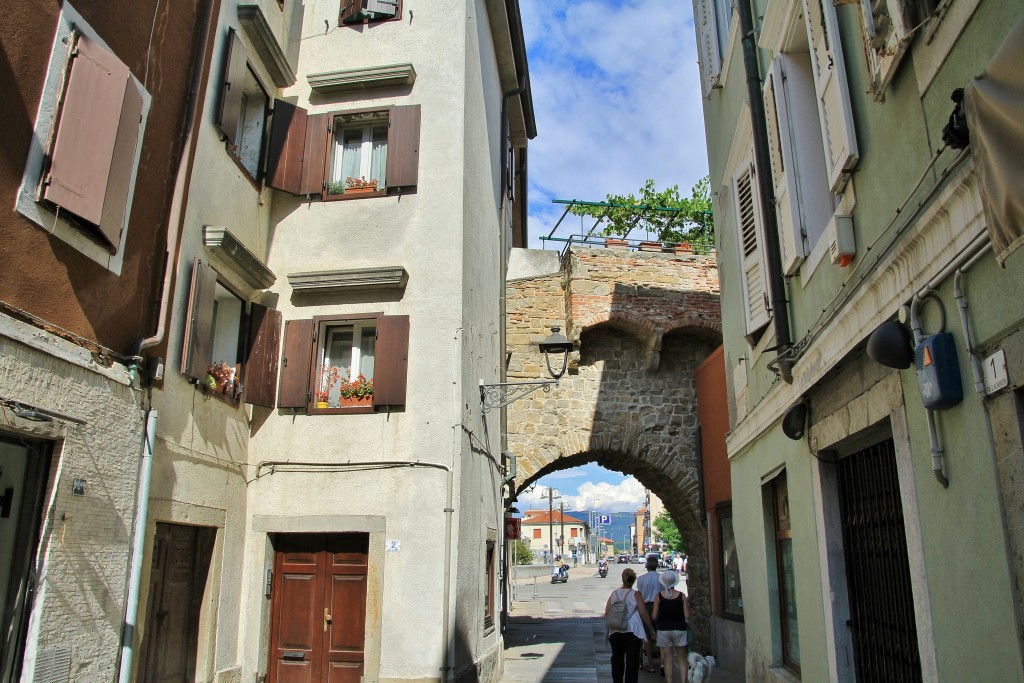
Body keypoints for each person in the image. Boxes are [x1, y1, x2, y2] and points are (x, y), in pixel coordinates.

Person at [605, 568, 654, 683]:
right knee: (632, 660)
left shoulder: (614, 593)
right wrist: (651, 628)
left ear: (622, 579)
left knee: (617, 658)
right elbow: (643, 613)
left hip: (615, 629)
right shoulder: (636, 594)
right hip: (632, 630)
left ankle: (617, 680)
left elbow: (607, 612)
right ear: (633, 581)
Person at [652, 570, 691, 683]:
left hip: (664, 629)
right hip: (679, 628)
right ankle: (683, 681)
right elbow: (687, 615)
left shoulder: (658, 597)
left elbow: (654, 616)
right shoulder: (682, 596)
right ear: (675, 582)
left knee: (668, 658)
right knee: (682, 658)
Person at [635, 555, 662, 671]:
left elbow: (640, 594)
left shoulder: (640, 579)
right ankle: (663, 663)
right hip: (659, 607)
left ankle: (650, 665)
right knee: (661, 635)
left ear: (647, 565)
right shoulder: (661, 578)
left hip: (645, 607)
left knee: (646, 637)